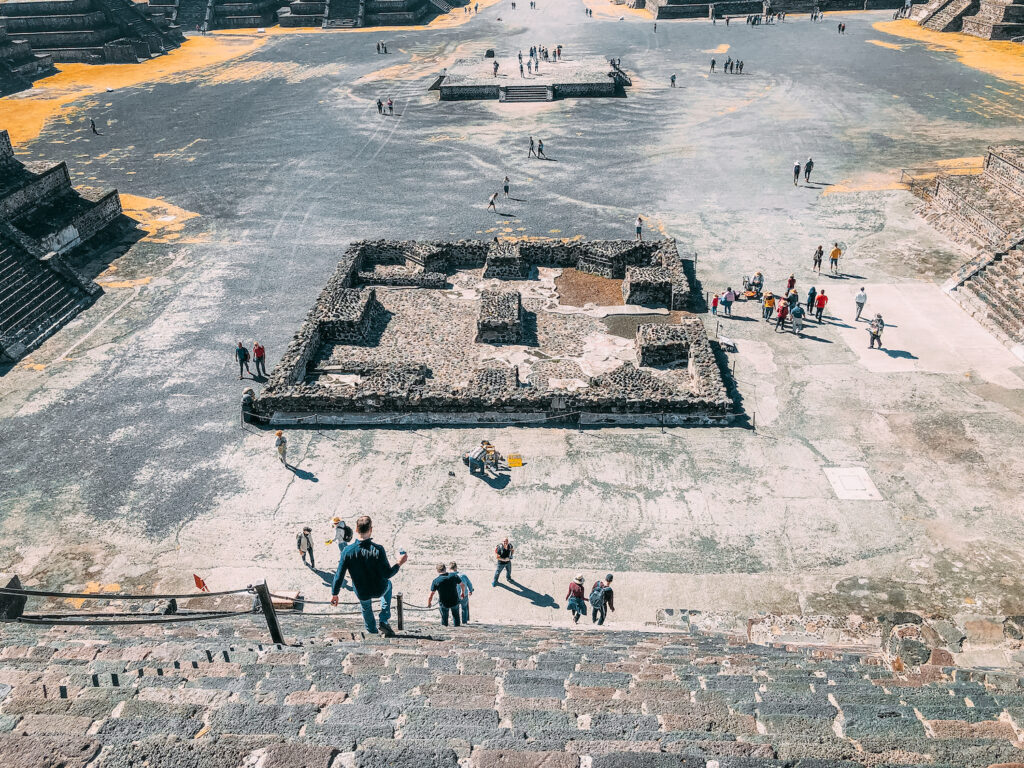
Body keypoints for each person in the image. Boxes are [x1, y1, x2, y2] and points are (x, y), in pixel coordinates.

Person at [331, 515, 407, 637]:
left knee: (366, 608)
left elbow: (339, 575)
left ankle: (372, 632)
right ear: (371, 529)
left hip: (362, 592)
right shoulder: (378, 549)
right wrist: (399, 563)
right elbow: (387, 574)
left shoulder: (347, 551)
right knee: (389, 585)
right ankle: (384, 618)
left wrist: (335, 593)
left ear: (356, 529)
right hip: (379, 589)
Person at [329, 517, 353, 589]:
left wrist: (330, 541)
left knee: (344, 555)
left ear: (336, 523)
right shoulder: (343, 524)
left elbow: (336, 537)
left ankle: (349, 568)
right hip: (345, 541)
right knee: (346, 552)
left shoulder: (338, 529)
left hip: (341, 543)